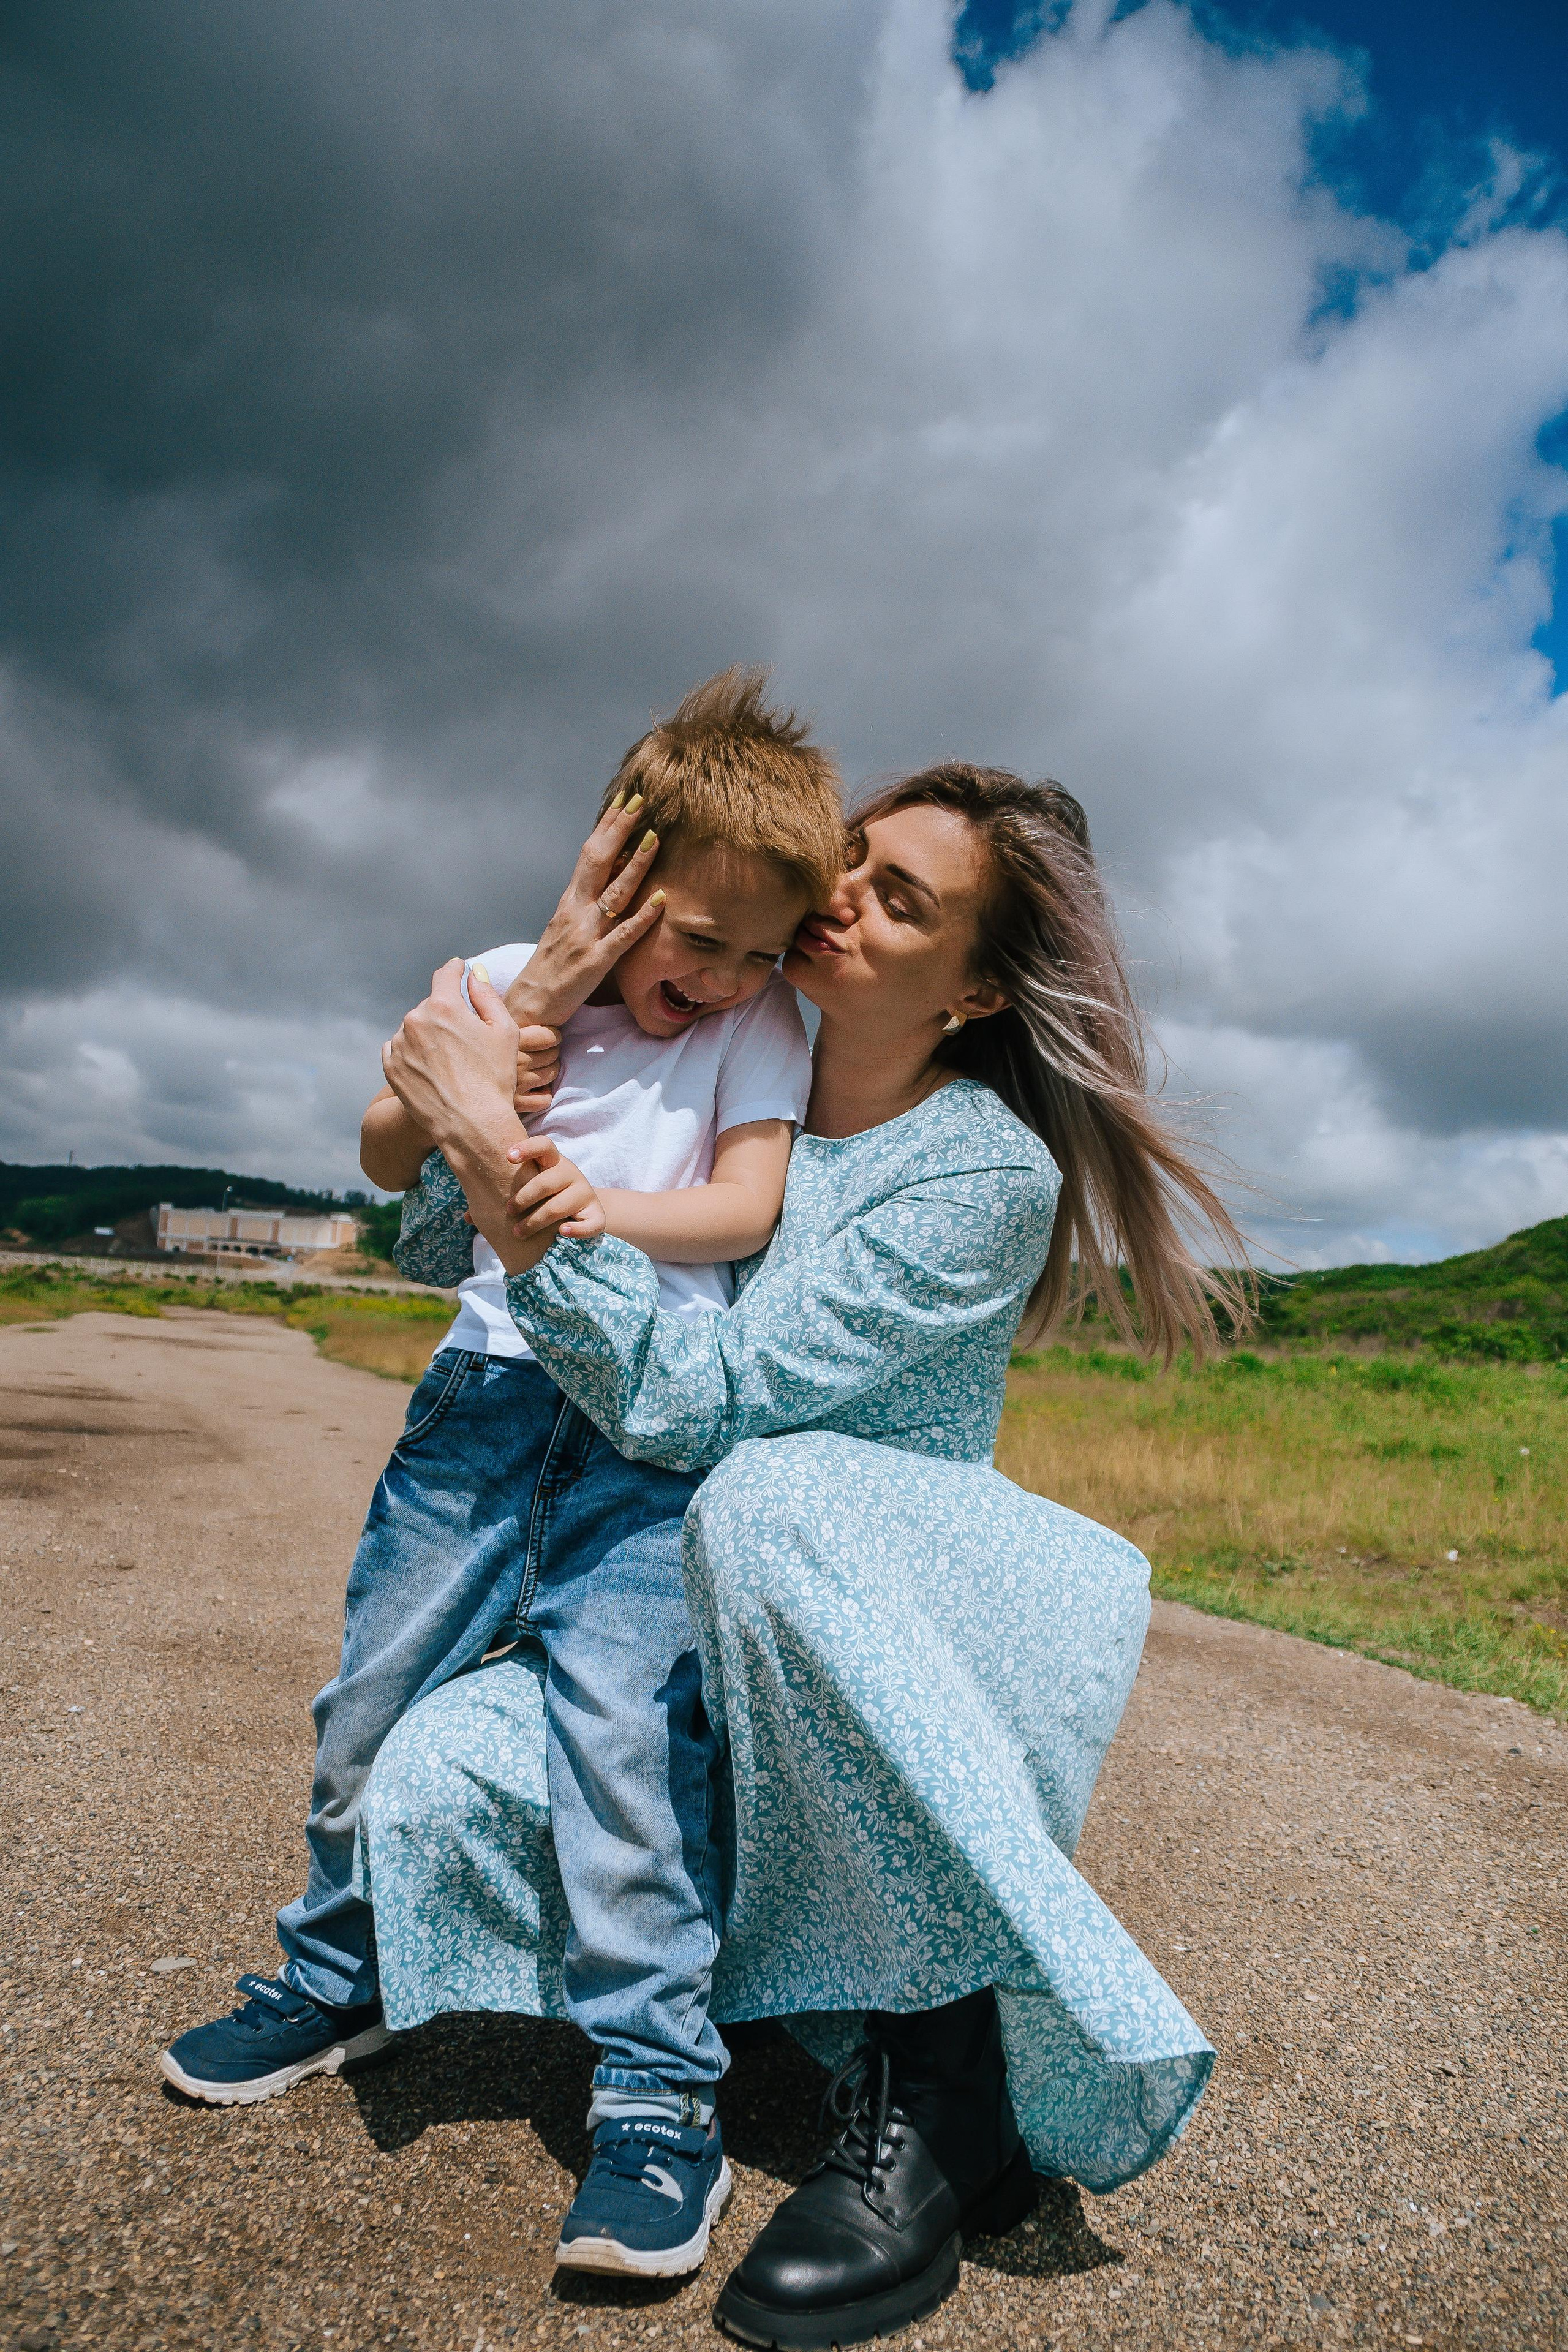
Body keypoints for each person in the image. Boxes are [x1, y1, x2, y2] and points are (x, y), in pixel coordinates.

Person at [369, 761, 1253, 2346]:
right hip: (685, 1595)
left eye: (902, 898)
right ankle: (768, 1982)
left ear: (976, 986)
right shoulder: (690, 1043)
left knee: (763, 1497)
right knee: (438, 1774)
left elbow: (711, 1403)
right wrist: (526, 1035)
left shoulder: (982, 1172)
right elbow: (432, 1246)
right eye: (849, 865)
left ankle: (943, 2067)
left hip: (880, 1575)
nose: (840, 897)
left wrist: (490, 1152)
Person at [159, 673, 843, 2258]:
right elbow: (387, 1155)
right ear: (620, 868)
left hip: (643, 1433)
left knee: (627, 1752)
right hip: (480, 1405)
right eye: (699, 935)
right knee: (368, 1712)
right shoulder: (492, 978)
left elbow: (744, 1209)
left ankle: (661, 2099)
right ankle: (340, 1980)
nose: (726, 975)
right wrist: (529, 1010)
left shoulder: (766, 1026)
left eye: (760, 949)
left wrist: (583, 1208)